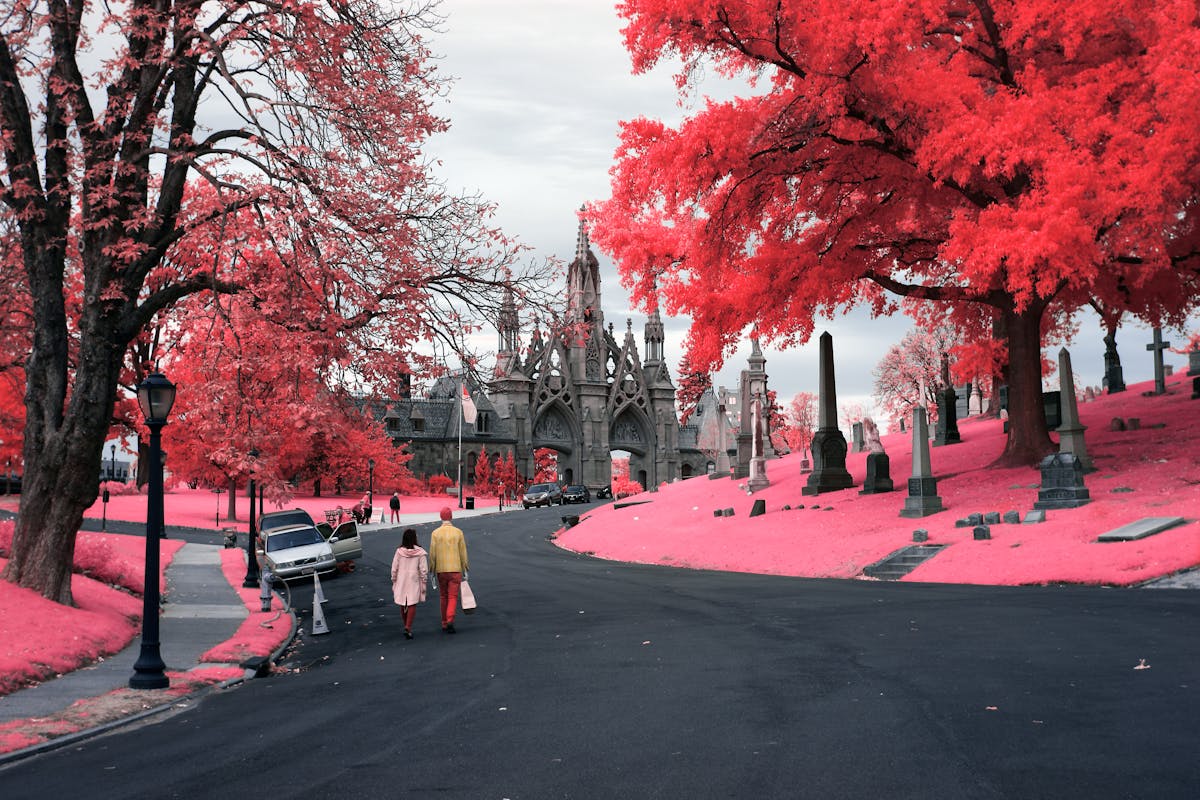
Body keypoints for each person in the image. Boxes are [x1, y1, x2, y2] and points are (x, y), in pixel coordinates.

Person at [427, 506, 469, 634]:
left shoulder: (435, 533)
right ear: (451, 517)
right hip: (455, 569)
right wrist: (465, 568)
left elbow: (432, 554)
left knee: (443, 596)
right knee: (453, 596)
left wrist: (432, 570)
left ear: (441, 517)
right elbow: (463, 552)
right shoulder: (458, 532)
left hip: (441, 569)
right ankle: (450, 619)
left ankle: (444, 622)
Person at [390, 528, 427, 639]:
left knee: (403, 603)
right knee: (412, 603)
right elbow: (423, 569)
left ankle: (406, 624)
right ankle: (408, 626)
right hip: (413, 580)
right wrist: (424, 581)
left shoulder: (399, 552)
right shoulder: (420, 552)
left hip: (401, 579)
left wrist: (394, 579)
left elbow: (394, 568)